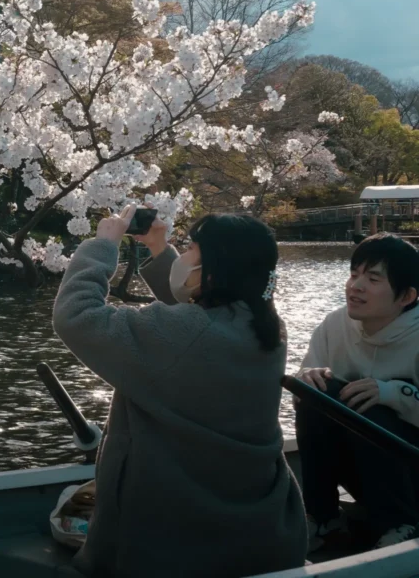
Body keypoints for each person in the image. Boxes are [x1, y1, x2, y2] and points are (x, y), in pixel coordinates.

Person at [53, 206, 306, 578]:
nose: (183, 256)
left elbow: (76, 316)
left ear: (215, 269)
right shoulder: (264, 326)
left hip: (171, 542)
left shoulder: (187, 335)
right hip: (258, 532)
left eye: (190, 249)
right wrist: (160, 249)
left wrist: (102, 246)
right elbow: (193, 331)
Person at [295, 233, 419, 551]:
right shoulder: (335, 325)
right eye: (354, 275)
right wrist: (306, 379)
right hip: (364, 469)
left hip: (411, 474)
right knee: (317, 394)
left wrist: (394, 393)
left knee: (370, 406)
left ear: (406, 296)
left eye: (372, 278)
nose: (355, 286)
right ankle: (323, 516)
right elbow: (306, 389)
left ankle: (400, 524)